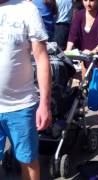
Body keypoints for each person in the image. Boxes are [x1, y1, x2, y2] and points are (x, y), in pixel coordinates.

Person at [0, 0, 52, 179]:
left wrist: (44, 104)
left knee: (28, 163)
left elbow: (41, 57)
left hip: (20, 106)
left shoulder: (27, 9)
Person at [66, 0, 98, 129]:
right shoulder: (79, 15)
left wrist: (93, 51)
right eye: (85, 0)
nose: (88, 4)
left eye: (91, 0)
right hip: (88, 57)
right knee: (92, 83)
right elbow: (72, 36)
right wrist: (68, 51)